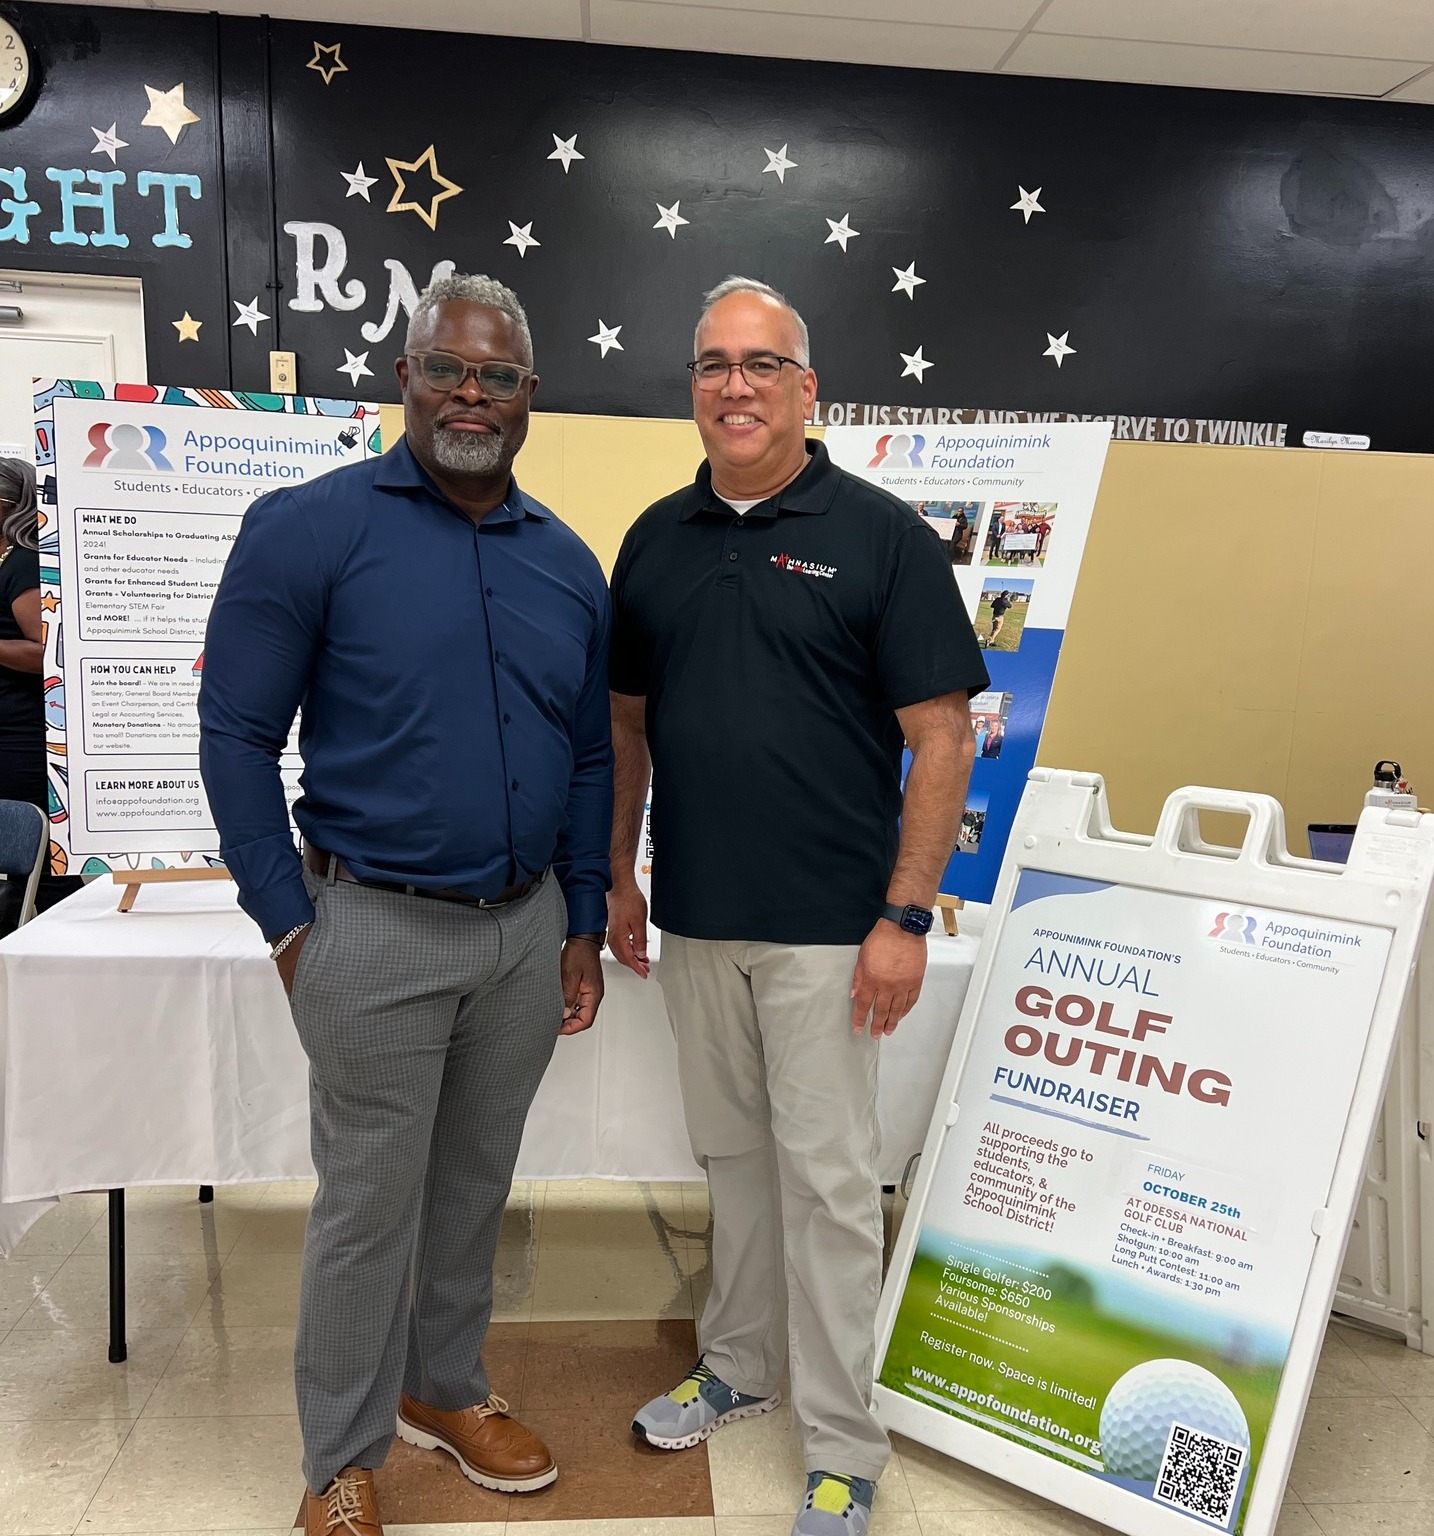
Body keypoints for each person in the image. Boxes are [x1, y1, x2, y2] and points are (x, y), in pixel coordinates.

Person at [199, 273, 613, 1536]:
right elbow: (233, 732)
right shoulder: (307, 528)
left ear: (530, 396)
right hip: (369, 924)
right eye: (448, 369)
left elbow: (590, 754)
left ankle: (445, 1389)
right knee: (367, 1200)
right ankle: (341, 1455)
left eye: (498, 376)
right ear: (405, 378)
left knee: (476, 1180)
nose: (471, 396)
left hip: (524, 928)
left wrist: (583, 918)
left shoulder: (566, 562)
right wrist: (285, 918)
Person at [607, 276, 987, 1536]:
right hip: (698, 921)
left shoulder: (880, 535)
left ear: (808, 386)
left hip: (835, 931)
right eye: (713, 364)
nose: (734, 386)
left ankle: (844, 1442)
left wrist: (907, 915)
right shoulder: (656, 539)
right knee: (732, 1165)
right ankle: (739, 1367)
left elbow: (942, 739)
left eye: (761, 365)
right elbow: (627, 727)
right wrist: (618, 870)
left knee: (827, 1188)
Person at [0, 458, 78, 932]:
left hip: (22, 739)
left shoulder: (25, 563)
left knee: (38, 861)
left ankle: (43, 939)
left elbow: (46, 652)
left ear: (8, 504)